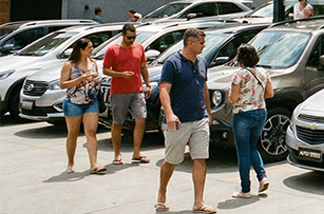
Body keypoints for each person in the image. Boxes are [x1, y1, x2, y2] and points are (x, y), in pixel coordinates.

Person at [156, 28, 216, 213]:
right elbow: (164, 90)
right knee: (171, 160)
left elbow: (204, 88)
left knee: (200, 159)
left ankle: (199, 201)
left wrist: (208, 112)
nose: (204, 46)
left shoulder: (202, 62)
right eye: (201, 43)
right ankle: (162, 193)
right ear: (190, 43)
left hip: (200, 118)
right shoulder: (172, 63)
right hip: (178, 121)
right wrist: (169, 114)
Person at [229, 43, 274, 198]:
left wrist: (234, 97)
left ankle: (245, 189)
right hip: (260, 112)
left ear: (240, 59)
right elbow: (270, 94)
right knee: (252, 146)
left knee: (243, 152)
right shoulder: (263, 72)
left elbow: (233, 98)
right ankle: (262, 177)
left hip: (242, 114)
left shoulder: (239, 75)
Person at [103, 23, 151, 165]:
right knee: (118, 122)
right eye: (129, 37)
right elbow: (105, 70)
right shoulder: (113, 50)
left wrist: (147, 84)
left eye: (134, 37)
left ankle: (137, 152)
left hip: (137, 90)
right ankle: (117, 153)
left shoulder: (139, 48)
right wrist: (120, 74)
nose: (131, 40)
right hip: (119, 91)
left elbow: (143, 67)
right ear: (122, 35)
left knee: (141, 119)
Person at [59, 38, 105, 174]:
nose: (92, 49)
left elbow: (95, 78)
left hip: (91, 102)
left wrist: (96, 81)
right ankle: (70, 162)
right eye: (89, 47)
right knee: (73, 133)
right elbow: (63, 84)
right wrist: (81, 78)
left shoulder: (93, 63)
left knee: (91, 132)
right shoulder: (69, 65)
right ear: (81, 50)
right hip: (73, 103)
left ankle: (94, 164)